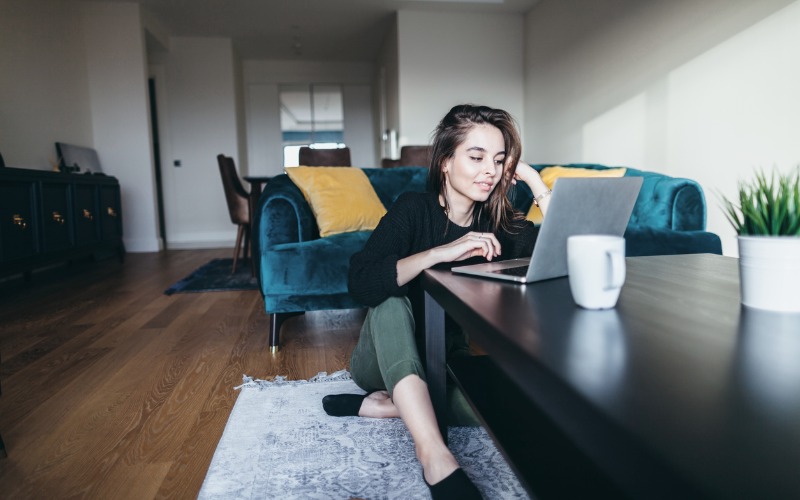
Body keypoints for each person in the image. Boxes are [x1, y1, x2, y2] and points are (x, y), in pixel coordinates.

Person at [322, 104, 552, 499]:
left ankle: (386, 408)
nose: (490, 171)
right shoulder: (413, 209)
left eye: (498, 161)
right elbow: (361, 281)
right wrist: (437, 254)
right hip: (381, 358)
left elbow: (561, 253)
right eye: (476, 157)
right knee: (391, 301)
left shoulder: (497, 222)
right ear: (445, 161)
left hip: (445, 362)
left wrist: (533, 180)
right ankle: (434, 455)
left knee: (516, 404)